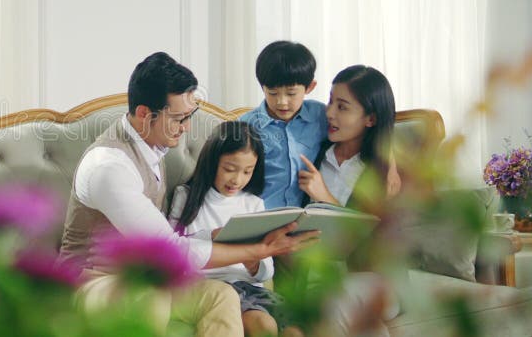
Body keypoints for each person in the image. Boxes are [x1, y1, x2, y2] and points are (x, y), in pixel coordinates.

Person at [59, 52, 319, 337]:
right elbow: (171, 251)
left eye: (189, 116)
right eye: (180, 118)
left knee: (221, 295)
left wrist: (214, 236)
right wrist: (261, 250)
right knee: (150, 299)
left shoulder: (153, 147)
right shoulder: (109, 166)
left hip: (147, 279)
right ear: (145, 114)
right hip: (93, 281)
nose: (187, 127)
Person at [168, 120, 303, 337]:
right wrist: (211, 237)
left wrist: (253, 263)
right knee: (263, 325)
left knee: (296, 331)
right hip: (212, 287)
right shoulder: (186, 197)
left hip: (250, 289)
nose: (237, 180)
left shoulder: (253, 204)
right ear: (212, 162)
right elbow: (172, 252)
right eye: (229, 169)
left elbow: (265, 274)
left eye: (247, 172)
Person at [296, 65, 401, 336]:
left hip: (372, 279)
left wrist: (323, 196)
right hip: (321, 278)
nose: (329, 112)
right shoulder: (319, 152)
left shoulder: (379, 174)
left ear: (370, 119)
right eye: (331, 101)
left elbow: (359, 242)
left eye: (343, 107)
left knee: (337, 299)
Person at [240, 41, 400, 210]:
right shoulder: (246, 126)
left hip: (302, 222)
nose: (282, 102)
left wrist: (389, 163)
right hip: (260, 214)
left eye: (291, 93)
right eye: (272, 93)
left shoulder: (317, 116)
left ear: (310, 87)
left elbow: (381, 128)